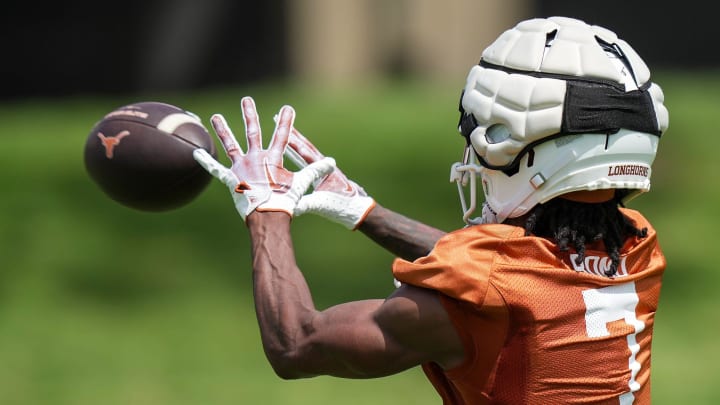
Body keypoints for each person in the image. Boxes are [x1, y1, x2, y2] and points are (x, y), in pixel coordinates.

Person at [193, 16, 668, 404]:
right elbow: (504, 276)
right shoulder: (639, 249)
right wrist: (365, 212)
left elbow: (296, 344)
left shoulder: (474, 299)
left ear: (536, 160)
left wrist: (266, 213)